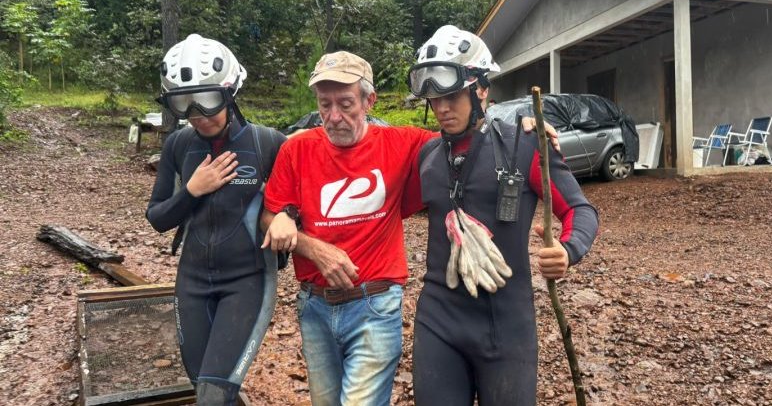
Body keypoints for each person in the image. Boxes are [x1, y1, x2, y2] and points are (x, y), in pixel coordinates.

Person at [261, 50, 556, 406]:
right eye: (324, 105)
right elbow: (270, 214)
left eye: (345, 104)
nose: (333, 117)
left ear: (370, 100)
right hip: (314, 307)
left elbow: (468, 132)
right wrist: (297, 234)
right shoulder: (298, 150)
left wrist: (524, 130)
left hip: (375, 304)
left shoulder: (407, 144)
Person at [407, 25, 600, 406]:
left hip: (506, 326)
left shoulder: (524, 144)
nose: (442, 108)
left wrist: (568, 249)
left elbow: (579, 209)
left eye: (452, 96)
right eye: (434, 99)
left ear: (481, 89)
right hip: (438, 322)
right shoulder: (428, 157)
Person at [146, 34, 286, 405]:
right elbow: (157, 217)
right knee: (208, 389)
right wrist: (193, 190)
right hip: (191, 282)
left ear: (230, 93)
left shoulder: (267, 144)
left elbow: (297, 206)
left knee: (212, 394)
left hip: (247, 281)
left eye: (207, 101)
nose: (198, 115)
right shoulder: (178, 145)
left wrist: (286, 217)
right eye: (184, 104)